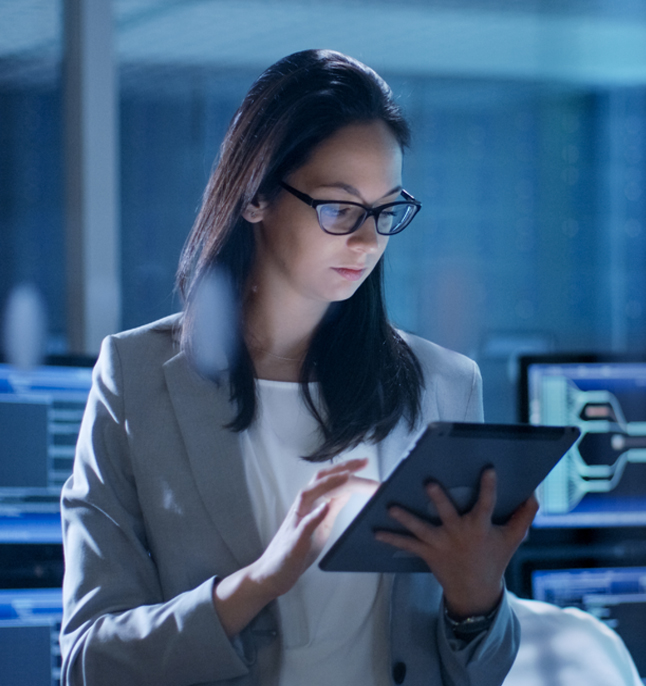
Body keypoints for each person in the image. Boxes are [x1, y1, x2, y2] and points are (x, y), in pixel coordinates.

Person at [59, 49, 537, 686]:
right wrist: (256, 584)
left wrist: (477, 603)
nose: (368, 242)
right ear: (256, 195)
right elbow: (87, 661)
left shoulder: (444, 385)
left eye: (386, 211)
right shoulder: (139, 377)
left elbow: (479, 673)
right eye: (339, 208)